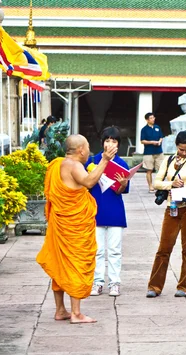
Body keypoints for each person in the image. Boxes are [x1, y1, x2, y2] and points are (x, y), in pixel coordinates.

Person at [36, 134, 118, 324]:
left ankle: (60, 310)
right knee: (76, 264)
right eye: (88, 147)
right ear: (81, 150)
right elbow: (89, 182)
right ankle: (76, 313)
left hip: (60, 223)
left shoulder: (57, 164)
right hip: (74, 225)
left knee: (60, 264)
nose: (89, 151)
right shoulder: (74, 166)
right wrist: (105, 160)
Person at [147, 130, 186, 298]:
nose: (183, 152)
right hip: (172, 206)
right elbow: (157, 182)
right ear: (176, 146)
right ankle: (154, 286)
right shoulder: (168, 160)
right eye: (181, 149)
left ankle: (184, 286)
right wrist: (171, 184)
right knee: (164, 248)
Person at [86, 127, 131, 297]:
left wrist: (123, 184)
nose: (110, 144)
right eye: (107, 141)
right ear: (102, 143)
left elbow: (120, 192)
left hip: (115, 212)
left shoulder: (122, 164)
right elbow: (86, 186)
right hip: (95, 211)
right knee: (97, 250)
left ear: (118, 145)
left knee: (114, 250)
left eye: (114, 141)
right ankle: (97, 282)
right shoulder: (92, 162)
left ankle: (114, 283)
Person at [141, 112, 165, 193]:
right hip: (148, 152)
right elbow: (142, 141)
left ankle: (159, 185)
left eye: (153, 117)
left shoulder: (157, 127)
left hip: (159, 152)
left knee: (161, 169)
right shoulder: (144, 130)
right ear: (147, 120)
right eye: (151, 118)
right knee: (149, 170)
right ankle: (150, 186)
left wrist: (159, 141)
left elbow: (161, 137)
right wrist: (152, 142)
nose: (153, 119)